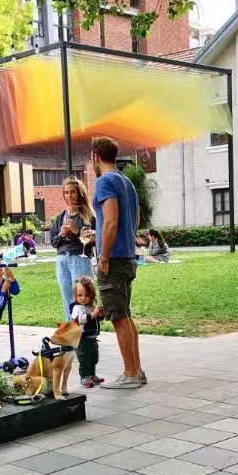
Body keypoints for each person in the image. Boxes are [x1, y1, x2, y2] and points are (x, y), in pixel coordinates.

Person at [90, 136, 144, 390]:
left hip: (113, 259)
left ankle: (130, 373)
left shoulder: (104, 182)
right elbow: (135, 218)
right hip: (128, 256)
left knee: (118, 317)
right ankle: (137, 370)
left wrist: (103, 256)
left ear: (95, 157)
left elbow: (110, 220)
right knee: (125, 315)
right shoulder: (127, 183)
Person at [49, 176, 96, 321]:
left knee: (83, 296)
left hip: (79, 259)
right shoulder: (60, 217)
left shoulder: (88, 216)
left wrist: (76, 232)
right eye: (66, 193)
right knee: (67, 299)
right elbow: (54, 242)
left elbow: (91, 242)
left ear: (80, 193)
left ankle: (88, 331)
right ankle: (72, 332)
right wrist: (62, 235)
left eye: (72, 192)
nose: (69, 196)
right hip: (62, 260)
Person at [70, 276, 104, 389]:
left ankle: (92, 375)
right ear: (75, 296)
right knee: (84, 358)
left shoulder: (90, 306)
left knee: (93, 357)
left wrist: (100, 315)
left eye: (87, 295)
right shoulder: (77, 308)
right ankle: (84, 376)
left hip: (92, 337)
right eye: (80, 295)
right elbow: (79, 319)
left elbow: (96, 319)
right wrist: (93, 315)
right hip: (82, 338)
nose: (83, 298)